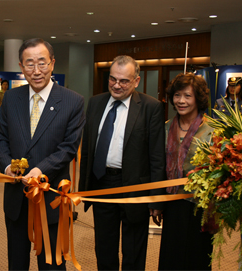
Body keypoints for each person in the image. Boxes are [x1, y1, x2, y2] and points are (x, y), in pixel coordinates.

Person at [0, 38, 85, 270]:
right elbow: (0, 139)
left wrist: (41, 169)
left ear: (52, 64)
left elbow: (68, 147)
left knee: (52, 263)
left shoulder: (73, 101)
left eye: (42, 63)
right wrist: (7, 166)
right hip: (17, 195)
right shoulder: (11, 99)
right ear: (21, 67)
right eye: (29, 64)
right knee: (17, 262)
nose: (36, 70)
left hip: (50, 195)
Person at [79, 55, 166, 271]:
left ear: (136, 81)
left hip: (135, 188)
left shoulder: (151, 107)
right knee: (104, 248)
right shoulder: (95, 103)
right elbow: (88, 147)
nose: (116, 85)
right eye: (112, 79)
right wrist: (84, 189)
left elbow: (157, 157)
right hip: (102, 184)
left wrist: (156, 200)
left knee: (134, 250)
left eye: (124, 81)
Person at [158, 73, 214, 270]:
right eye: (177, 95)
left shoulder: (212, 130)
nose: (181, 101)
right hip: (172, 206)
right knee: (171, 256)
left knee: (195, 257)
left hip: (200, 207)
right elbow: (158, 168)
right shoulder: (165, 128)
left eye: (187, 96)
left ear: (198, 98)